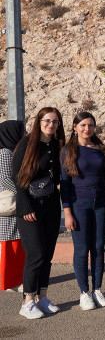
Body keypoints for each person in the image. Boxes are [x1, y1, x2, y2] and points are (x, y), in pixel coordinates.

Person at [13, 107, 65, 319]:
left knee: (48, 255)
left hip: (51, 206)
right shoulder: (27, 144)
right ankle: (27, 302)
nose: (50, 124)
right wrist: (25, 207)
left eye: (55, 121)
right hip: (30, 208)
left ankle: (42, 297)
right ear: (39, 122)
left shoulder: (57, 145)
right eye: (47, 120)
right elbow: (16, 177)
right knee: (36, 254)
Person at [60, 112, 105, 310]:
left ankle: (97, 289)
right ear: (75, 127)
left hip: (100, 204)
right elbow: (64, 184)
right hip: (78, 204)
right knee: (82, 250)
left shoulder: (99, 148)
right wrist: (67, 213)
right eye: (82, 125)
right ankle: (84, 292)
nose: (87, 129)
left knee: (98, 248)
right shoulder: (68, 150)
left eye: (90, 125)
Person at [0, 121, 26, 293]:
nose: (24, 133)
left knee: (16, 244)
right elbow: (5, 179)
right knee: (9, 245)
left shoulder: (12, 151)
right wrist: (24, 186)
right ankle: (8, 282)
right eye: (21, 131)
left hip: (14, 204)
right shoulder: (4, 153)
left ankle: (14, 279)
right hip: (8, 206)